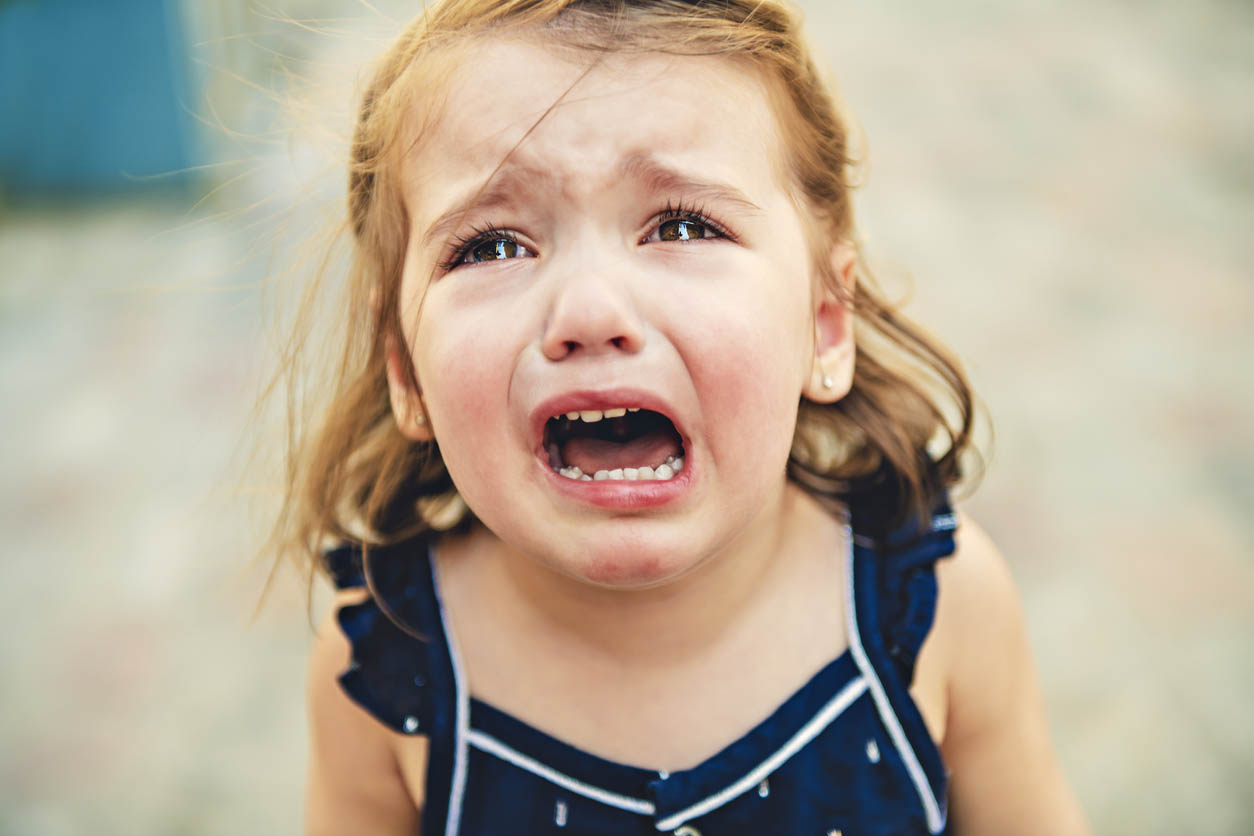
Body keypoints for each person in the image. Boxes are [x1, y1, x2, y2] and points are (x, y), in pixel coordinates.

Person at [281, 1, 1090, 833]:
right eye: (492, 245)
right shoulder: (381, 670)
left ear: (823, 323)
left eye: (682, 225)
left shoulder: (942, 607)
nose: (591, 310)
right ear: (407, 370)